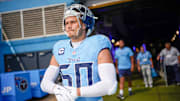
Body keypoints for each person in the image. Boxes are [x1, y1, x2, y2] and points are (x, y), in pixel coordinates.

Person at [40, 4, 117, 101]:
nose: (68, 26)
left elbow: (110, 85)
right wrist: (57, 89)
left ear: (84, 25)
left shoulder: (97, 44)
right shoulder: (60, 48)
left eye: (73, 22)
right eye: (66, 23)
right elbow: (44, 83)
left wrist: (76, 92)